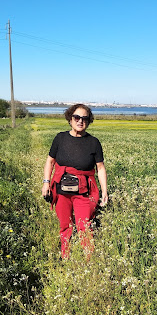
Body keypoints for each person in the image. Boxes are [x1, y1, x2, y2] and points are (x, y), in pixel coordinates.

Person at [41, 103, 108, 259]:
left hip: (84, 191)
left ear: (89, 121)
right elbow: (50, 161)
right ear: (70, 119)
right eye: (76, 117)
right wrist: (46, 182)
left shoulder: (94, 142)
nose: (80, 121)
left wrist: (104, 191)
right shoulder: (60, 138)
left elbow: (101, 168)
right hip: (61, 191)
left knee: (84, 226)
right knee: (65, 225)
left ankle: (88, 260)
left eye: (85, 118)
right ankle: (66, 255)